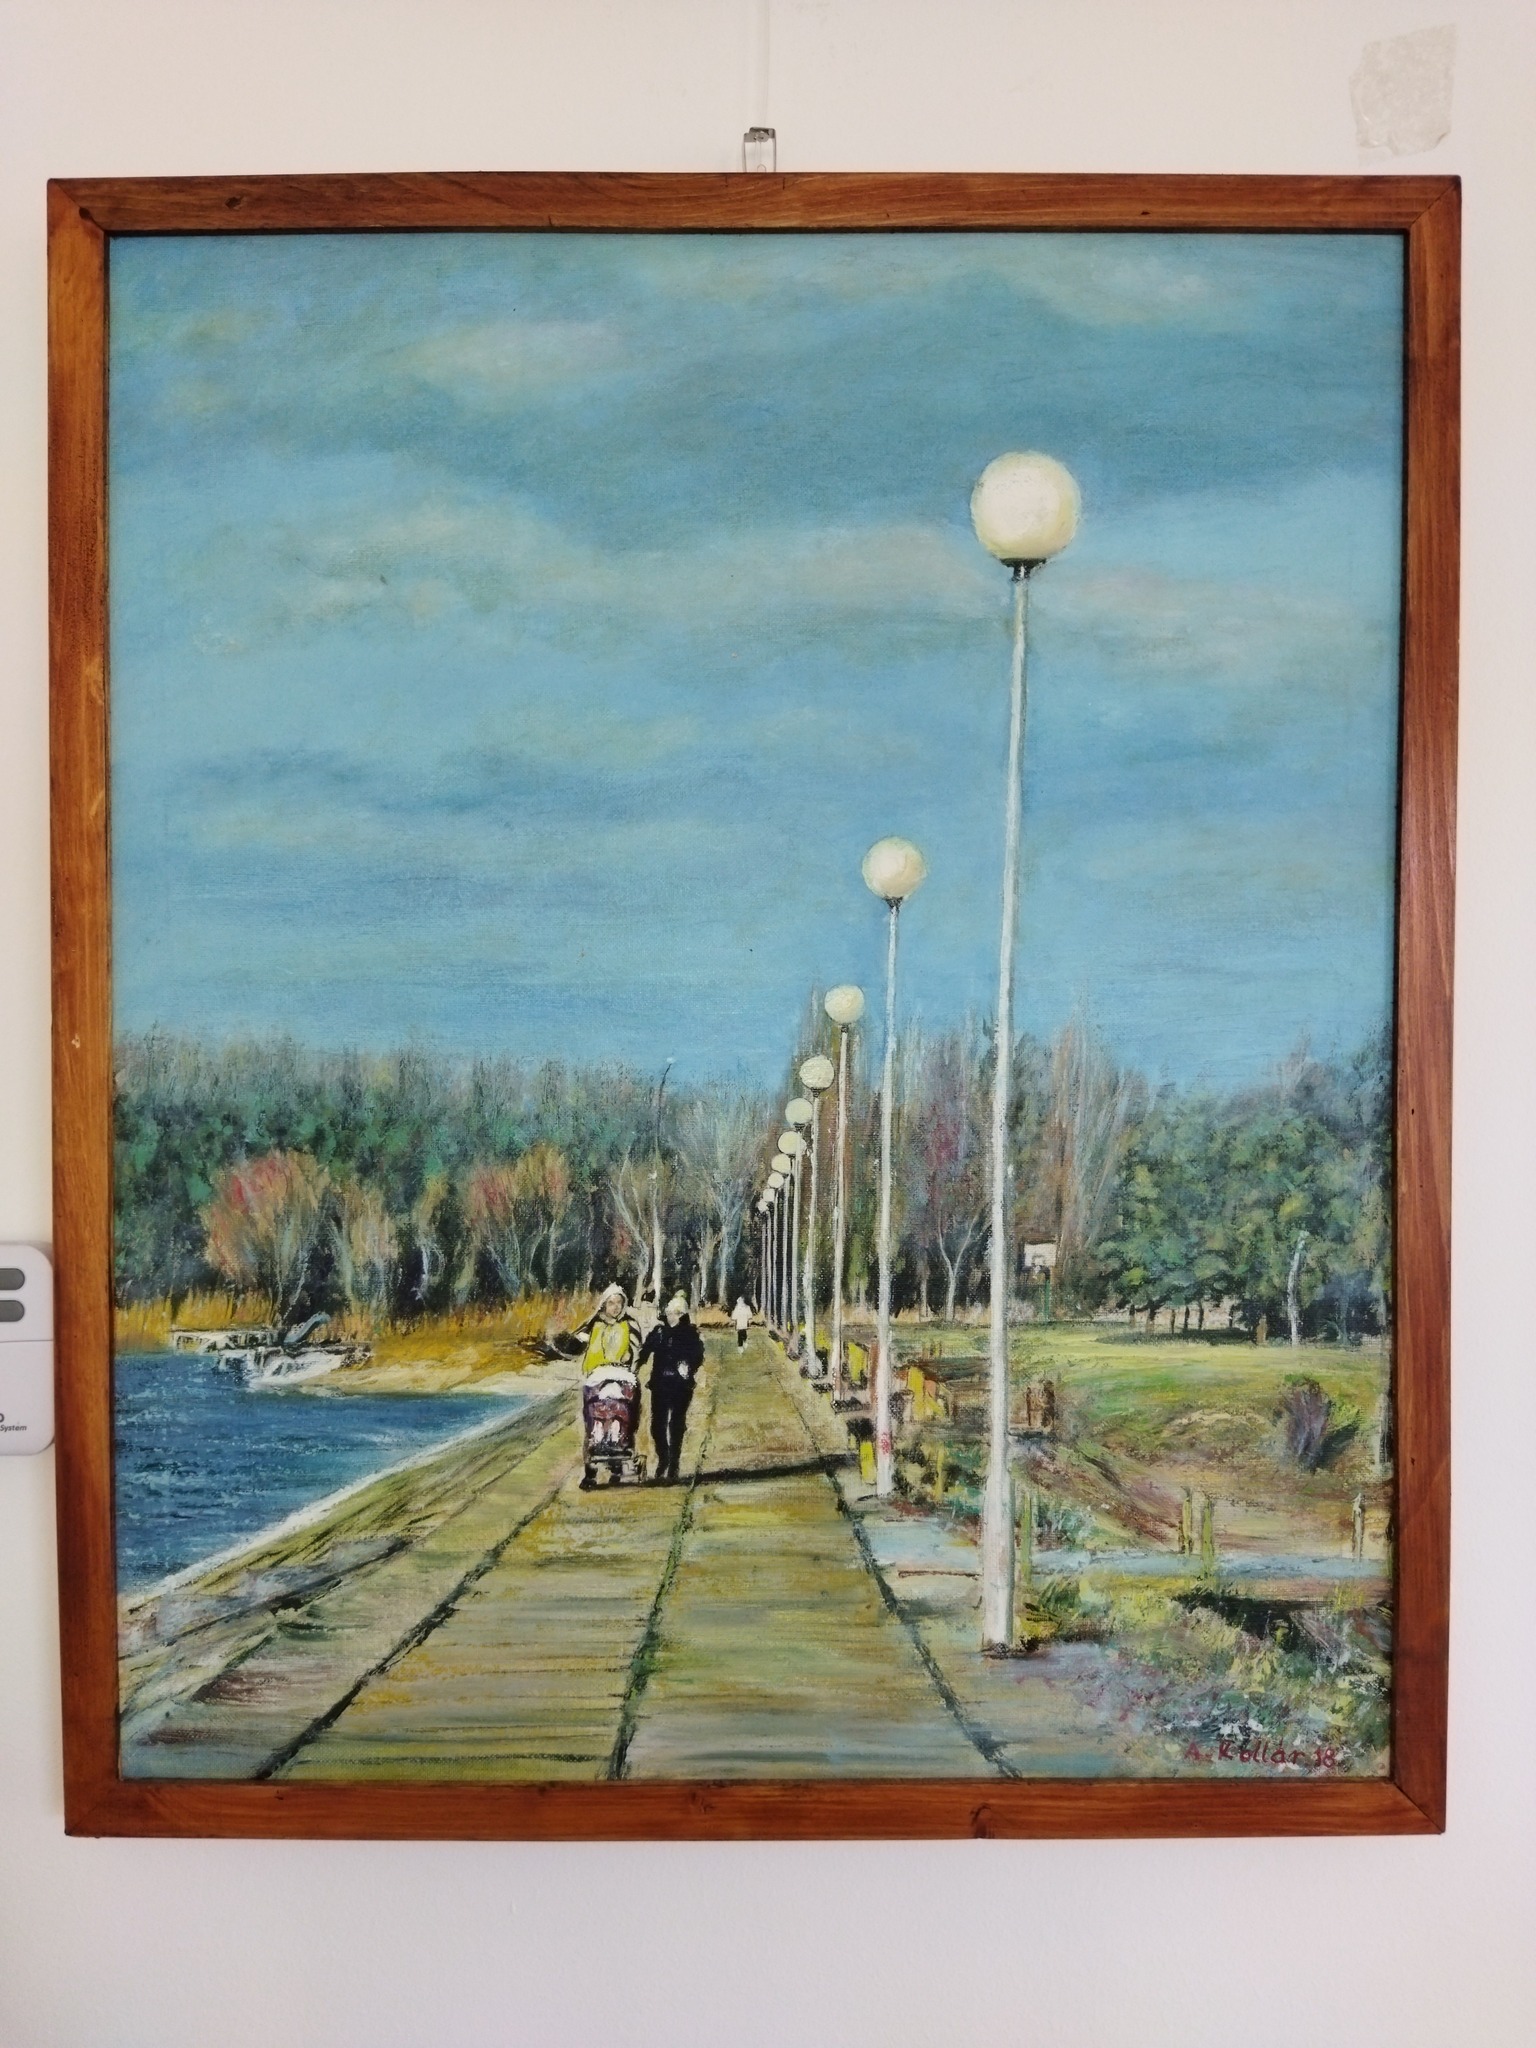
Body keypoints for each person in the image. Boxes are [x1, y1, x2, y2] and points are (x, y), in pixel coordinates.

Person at [569, 1285, 644, 1488]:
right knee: (594, 1417)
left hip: (622, 1374)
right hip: (597, 1375)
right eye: (611, 1303)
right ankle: (591, 1471)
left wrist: (630, 1364)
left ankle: (618, 1462)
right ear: (604, 1304)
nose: (615, 1307)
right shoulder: (594, 1324)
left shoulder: (630, 1324)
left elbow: (637, 1350)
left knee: (624, 1412)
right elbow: (576, 1343)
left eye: (619, 1303)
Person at [639, 1293, 704, 1483]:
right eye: (669, 1313)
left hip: (680, 1385)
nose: (672, 1317)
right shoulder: (659, 1332)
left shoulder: (690, 1334)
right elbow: (644, 1351)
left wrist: (689, 1365)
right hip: (660, 1384)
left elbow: (698, 1355)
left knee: (676, 1424)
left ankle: (674, 1464)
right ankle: (664, 1457)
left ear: (683, 1315)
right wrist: (635, 1363)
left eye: (676, 1313)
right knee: (657, 1425)